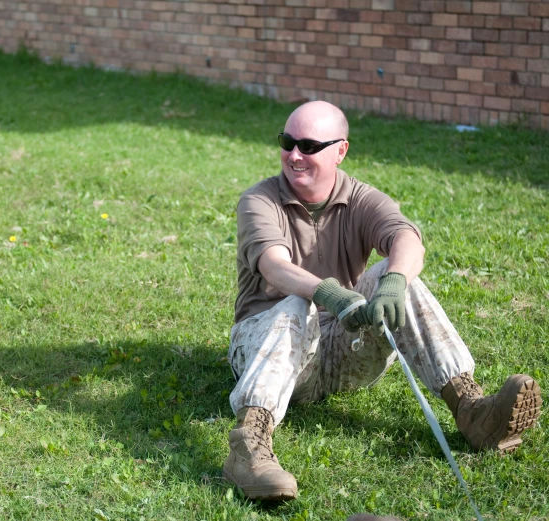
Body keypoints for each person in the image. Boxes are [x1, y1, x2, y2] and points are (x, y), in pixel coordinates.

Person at [223, 100, 543, 501]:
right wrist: (330, 293)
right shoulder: (260, 200)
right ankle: (249, 446)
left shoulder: (360, 197)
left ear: (341, 150)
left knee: (399, 277)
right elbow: (273, 265)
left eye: (308, 145)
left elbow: (406, 239)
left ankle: (471, 409)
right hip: (267, 348)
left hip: (344, 347)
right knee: (292, 304)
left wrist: (393, 282)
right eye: (287, 142)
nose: (294, 155)